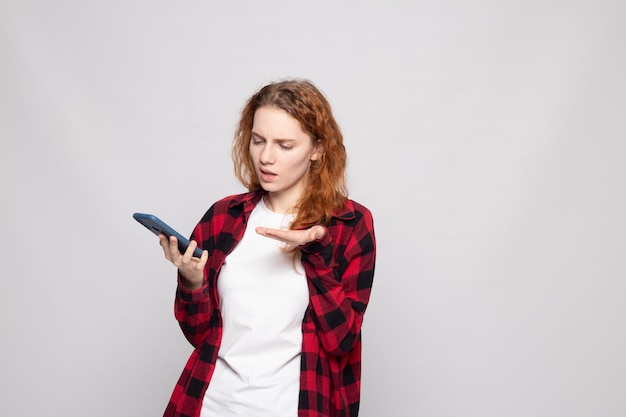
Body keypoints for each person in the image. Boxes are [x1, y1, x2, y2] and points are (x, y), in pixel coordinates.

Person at [157, 79, 376, 417]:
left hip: (292, 407)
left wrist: (315, 253)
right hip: (211, 405)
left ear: (317, 149)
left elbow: (341, 340)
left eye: (285, 145)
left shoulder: (350, 225)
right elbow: (198, 333)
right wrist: (192, 282)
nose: (266, 157)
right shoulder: (222, 217)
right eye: (258, 141)